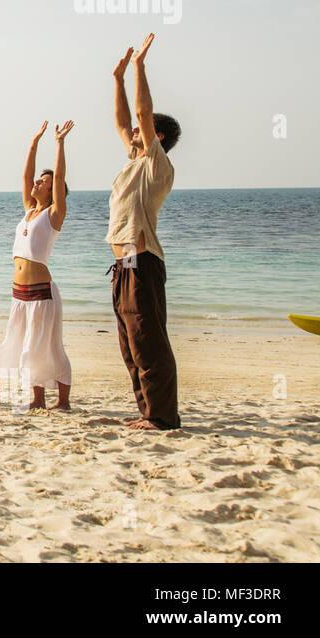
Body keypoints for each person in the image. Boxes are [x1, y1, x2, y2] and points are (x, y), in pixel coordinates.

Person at [107, 34, 181, 431]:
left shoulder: (157, 166)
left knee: (148, 341)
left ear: (157, 136)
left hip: (142, 263)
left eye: (143, 129)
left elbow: (139, 112)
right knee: (130, 344)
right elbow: (123, 120)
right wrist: (116, 79)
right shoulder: (133, 161)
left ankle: (162, 417)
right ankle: (147, 412)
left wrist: (139, 68)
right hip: (121, 266)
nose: (133, 131)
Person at [0, 120, 74, 411]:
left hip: (42, 294)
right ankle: (37, 399)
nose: (37, 183)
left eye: (43, 182)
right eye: (39, 180)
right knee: (25, 346)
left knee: (47, 347)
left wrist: (58, 143)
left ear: (52, 191)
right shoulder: (28, 211)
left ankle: (63, 401)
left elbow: (59, 177)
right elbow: (25, 176)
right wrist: (34, 142)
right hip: (19, 293)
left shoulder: (53, 215)